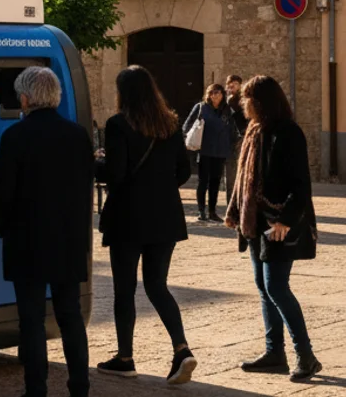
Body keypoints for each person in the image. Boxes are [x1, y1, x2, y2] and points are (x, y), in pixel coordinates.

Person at [0, 66, 93, 397]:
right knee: (70, 316)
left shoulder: (15, 137)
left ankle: (36, 389)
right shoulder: (79, 136)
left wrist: (4, 228)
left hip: (28, 240)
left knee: (32, 320)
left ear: (24, 97)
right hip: (69, 239)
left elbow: (4, 193)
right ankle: (80, 385)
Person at [95, 66, 196, 386]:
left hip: (128, 217)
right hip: (165, 215)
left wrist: (96, 163)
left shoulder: (118, 124)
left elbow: (117, 174)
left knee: (124, 288)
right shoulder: (170, 123)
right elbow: (182, 171)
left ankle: (125, 358)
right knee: (157, 285)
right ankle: (181, 349)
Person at [225, 76, 321, 381]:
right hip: (255, 222)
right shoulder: (256, 131)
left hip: (279, 223)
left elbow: (301, 185)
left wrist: (285, 220)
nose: (243, 103)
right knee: (265, 288)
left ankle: (305, 355)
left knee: (277, 287)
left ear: (262, 102)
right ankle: (274, 353)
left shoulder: (288, 133)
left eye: (248, 98)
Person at [183, 84, 235, 221]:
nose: (214, 95)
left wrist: (231, 144)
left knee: (215, 182)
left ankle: (212, 211)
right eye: (212, 93)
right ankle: (201, 211)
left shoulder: (227, 110)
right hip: (204, 150)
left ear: (222, 94)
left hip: (220, 150)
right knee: (203, 181)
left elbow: (233, 128)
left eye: (217, 93)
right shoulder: (201, 107)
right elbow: (187, 125)